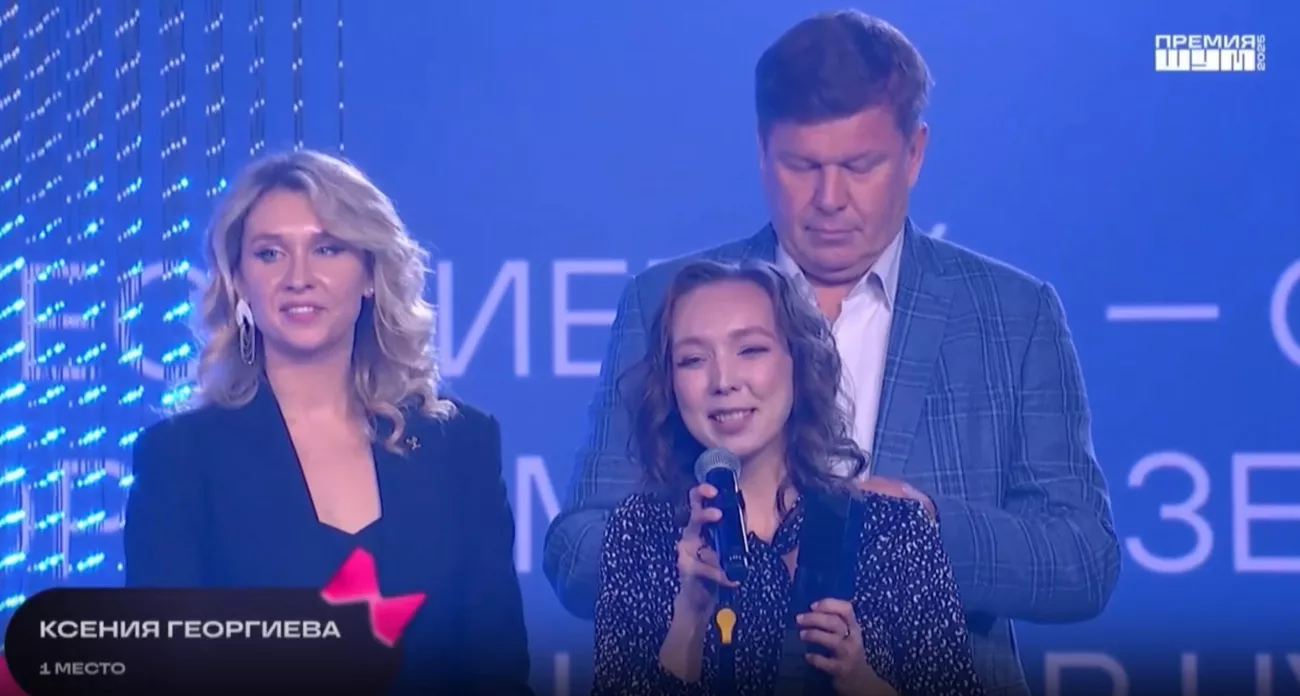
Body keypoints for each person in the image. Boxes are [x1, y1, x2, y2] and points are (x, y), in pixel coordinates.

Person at [546, 10, 1120, 695]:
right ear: (762, 151)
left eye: (858, 166)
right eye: (802, 166)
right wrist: (682, 556)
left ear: (914, 153)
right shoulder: (667, 302)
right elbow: (574, 550)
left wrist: (920, 530)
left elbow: (1084, 561)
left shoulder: (1012, 315)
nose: (829, 199)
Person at [123, 150, 532, 695]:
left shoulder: (459, 445)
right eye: (270, 253)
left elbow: (497, 674)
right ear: (238, 280)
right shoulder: (180, 459)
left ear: (370, 273)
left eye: (327, 248)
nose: (299, 278)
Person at [592, 259, 983, 696]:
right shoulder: (641, 531)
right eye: (693, 359)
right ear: (670, 382)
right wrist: (689, 615)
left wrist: (863, 682)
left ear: (799, 361)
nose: (723, 381)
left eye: (750, 350)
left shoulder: (894, 532)